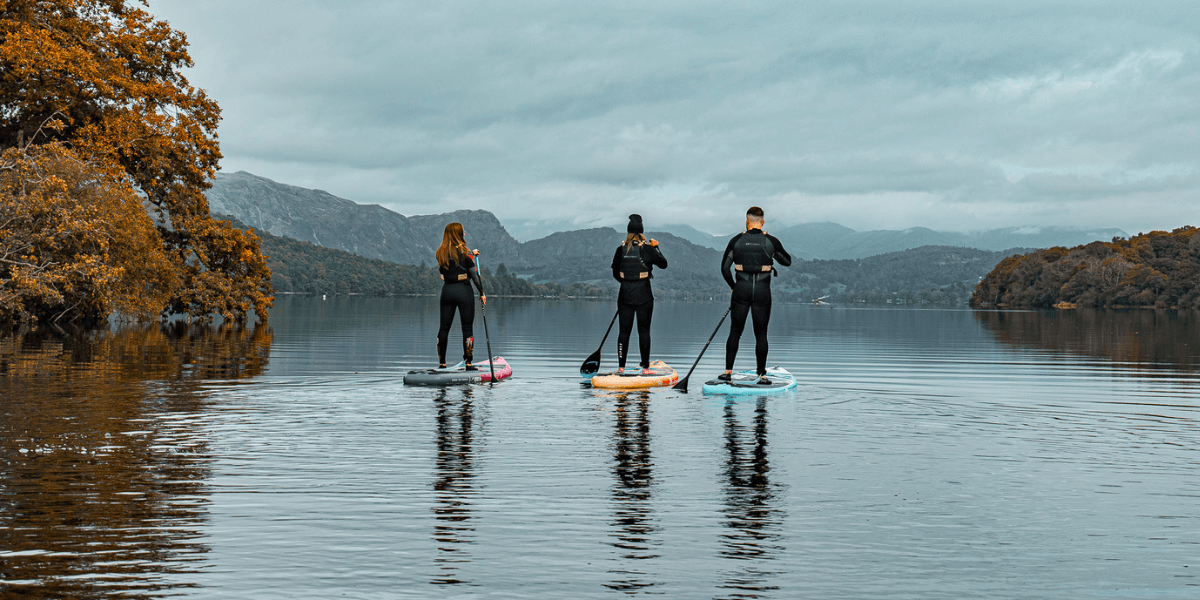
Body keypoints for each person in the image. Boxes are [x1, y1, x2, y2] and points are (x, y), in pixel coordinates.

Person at [719, 206, 791, 384]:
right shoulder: (770, 241)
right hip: (762, 291)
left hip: (741, 290)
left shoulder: (736, 240)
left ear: (747, 220)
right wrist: (773, 255)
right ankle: (762, 374)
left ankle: (728, 371)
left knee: (735, 331)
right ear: (763, 222)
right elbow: (787, 261)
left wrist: (733, 287)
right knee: (761, 333)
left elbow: (724, 269)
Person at [610, 214, 668, 374]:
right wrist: (656, 247)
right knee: (644, 331)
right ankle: (646, 368)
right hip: (644, 294)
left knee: (623, 331)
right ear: (642, 231)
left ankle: (621, 368)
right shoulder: (648, 249)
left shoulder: (620, 250)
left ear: (628, 232)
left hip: (625, 294)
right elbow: (663, 264)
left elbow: (615, 272)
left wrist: (627, 284)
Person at [435, 222, 486, 369]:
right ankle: (468, 363)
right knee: (467, 328)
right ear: (458, 234)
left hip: (447, 291)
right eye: (462, 232)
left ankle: (442, 364)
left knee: (444, 328)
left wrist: (471, 254)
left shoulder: (441, 252)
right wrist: (482, 293)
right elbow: (475, 276)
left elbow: (446, 269)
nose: (464, 234)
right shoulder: (465, 252)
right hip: (464, 291)